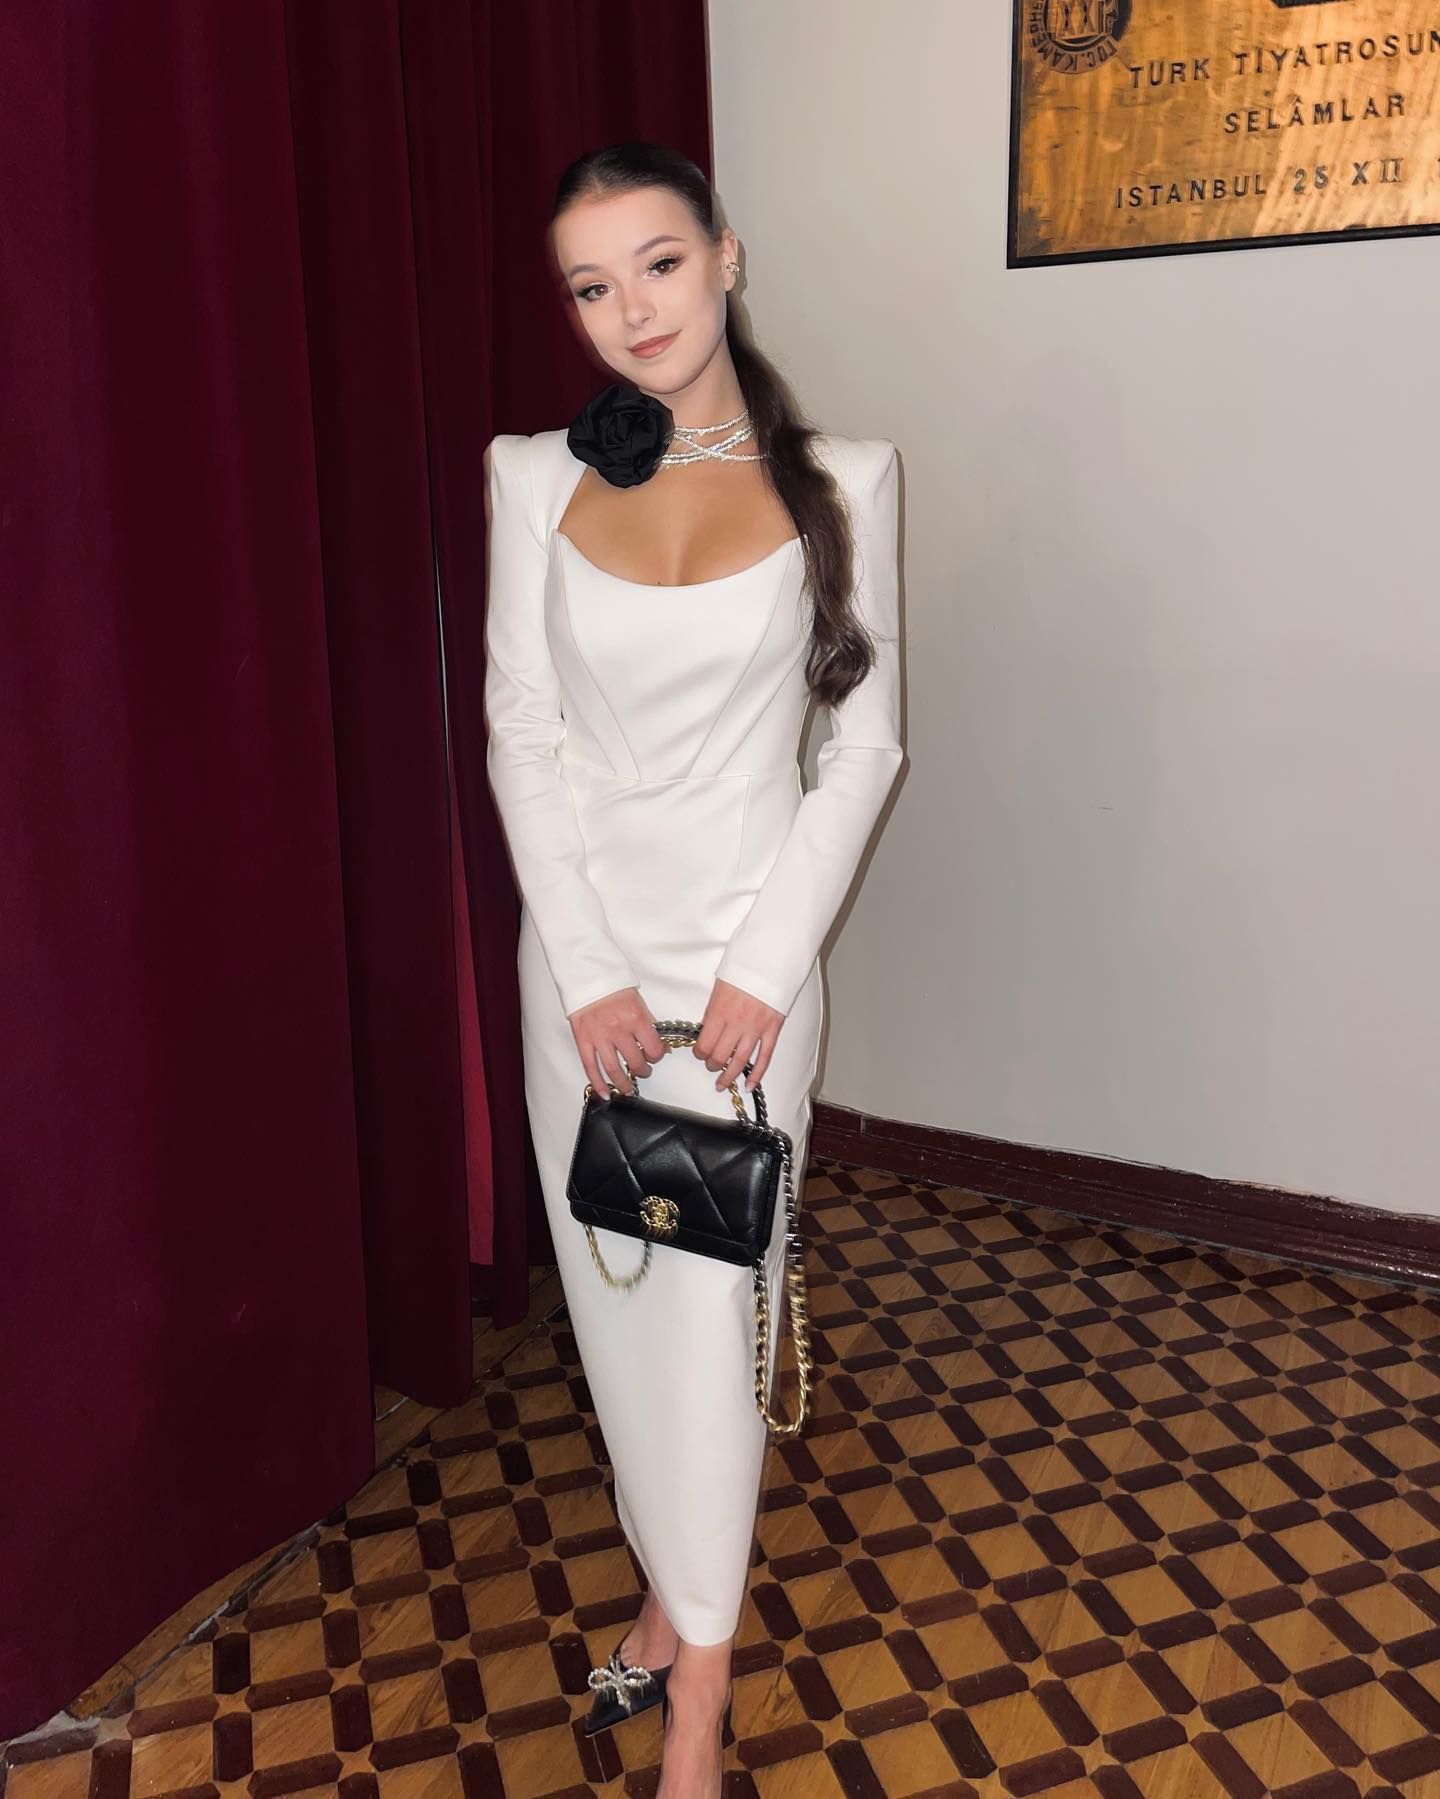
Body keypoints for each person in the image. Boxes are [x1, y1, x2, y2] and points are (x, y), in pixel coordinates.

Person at [482, 140, 903, 1798]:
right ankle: (673, 1599)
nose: (631, 311)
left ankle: (699, 1696)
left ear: (726, 254)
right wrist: (586, 970)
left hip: (747, 979)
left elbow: (862, 752)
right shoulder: (533, 477)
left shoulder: (847, 479)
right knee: (617, 1303)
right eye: (591, 286)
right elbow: (522, 736)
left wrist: (766, 971)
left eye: (658, 264)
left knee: (720, 1317)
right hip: (582, 976)